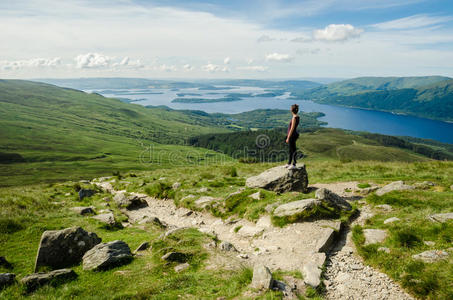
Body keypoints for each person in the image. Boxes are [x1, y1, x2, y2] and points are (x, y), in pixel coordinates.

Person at [285, 104, 300, 169]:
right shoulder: (297, 117)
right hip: (294, 134)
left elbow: (292, 128)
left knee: (293, 150)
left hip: (292, 135)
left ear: (291, 110)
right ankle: (289, 163)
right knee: (291, 150)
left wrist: (288, 137)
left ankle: (293, 164)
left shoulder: (294, 118)